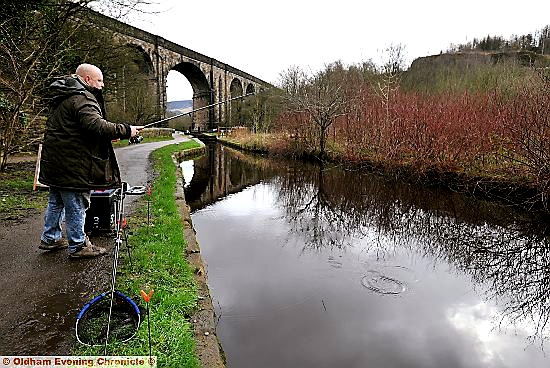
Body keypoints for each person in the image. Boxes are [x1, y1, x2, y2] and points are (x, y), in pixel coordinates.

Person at [38, 63, 141, 258]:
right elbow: (96, 125)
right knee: (77, 202)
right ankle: (78, 246)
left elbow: (78, 129)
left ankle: (50, 238)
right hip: (73, 164)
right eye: (99, 80)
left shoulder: (63, 95)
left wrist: (110, 134)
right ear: (87, 80)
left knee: (56, 201)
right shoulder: (82, 97)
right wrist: (127, 130)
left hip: (56, 161)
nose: (102, 85)